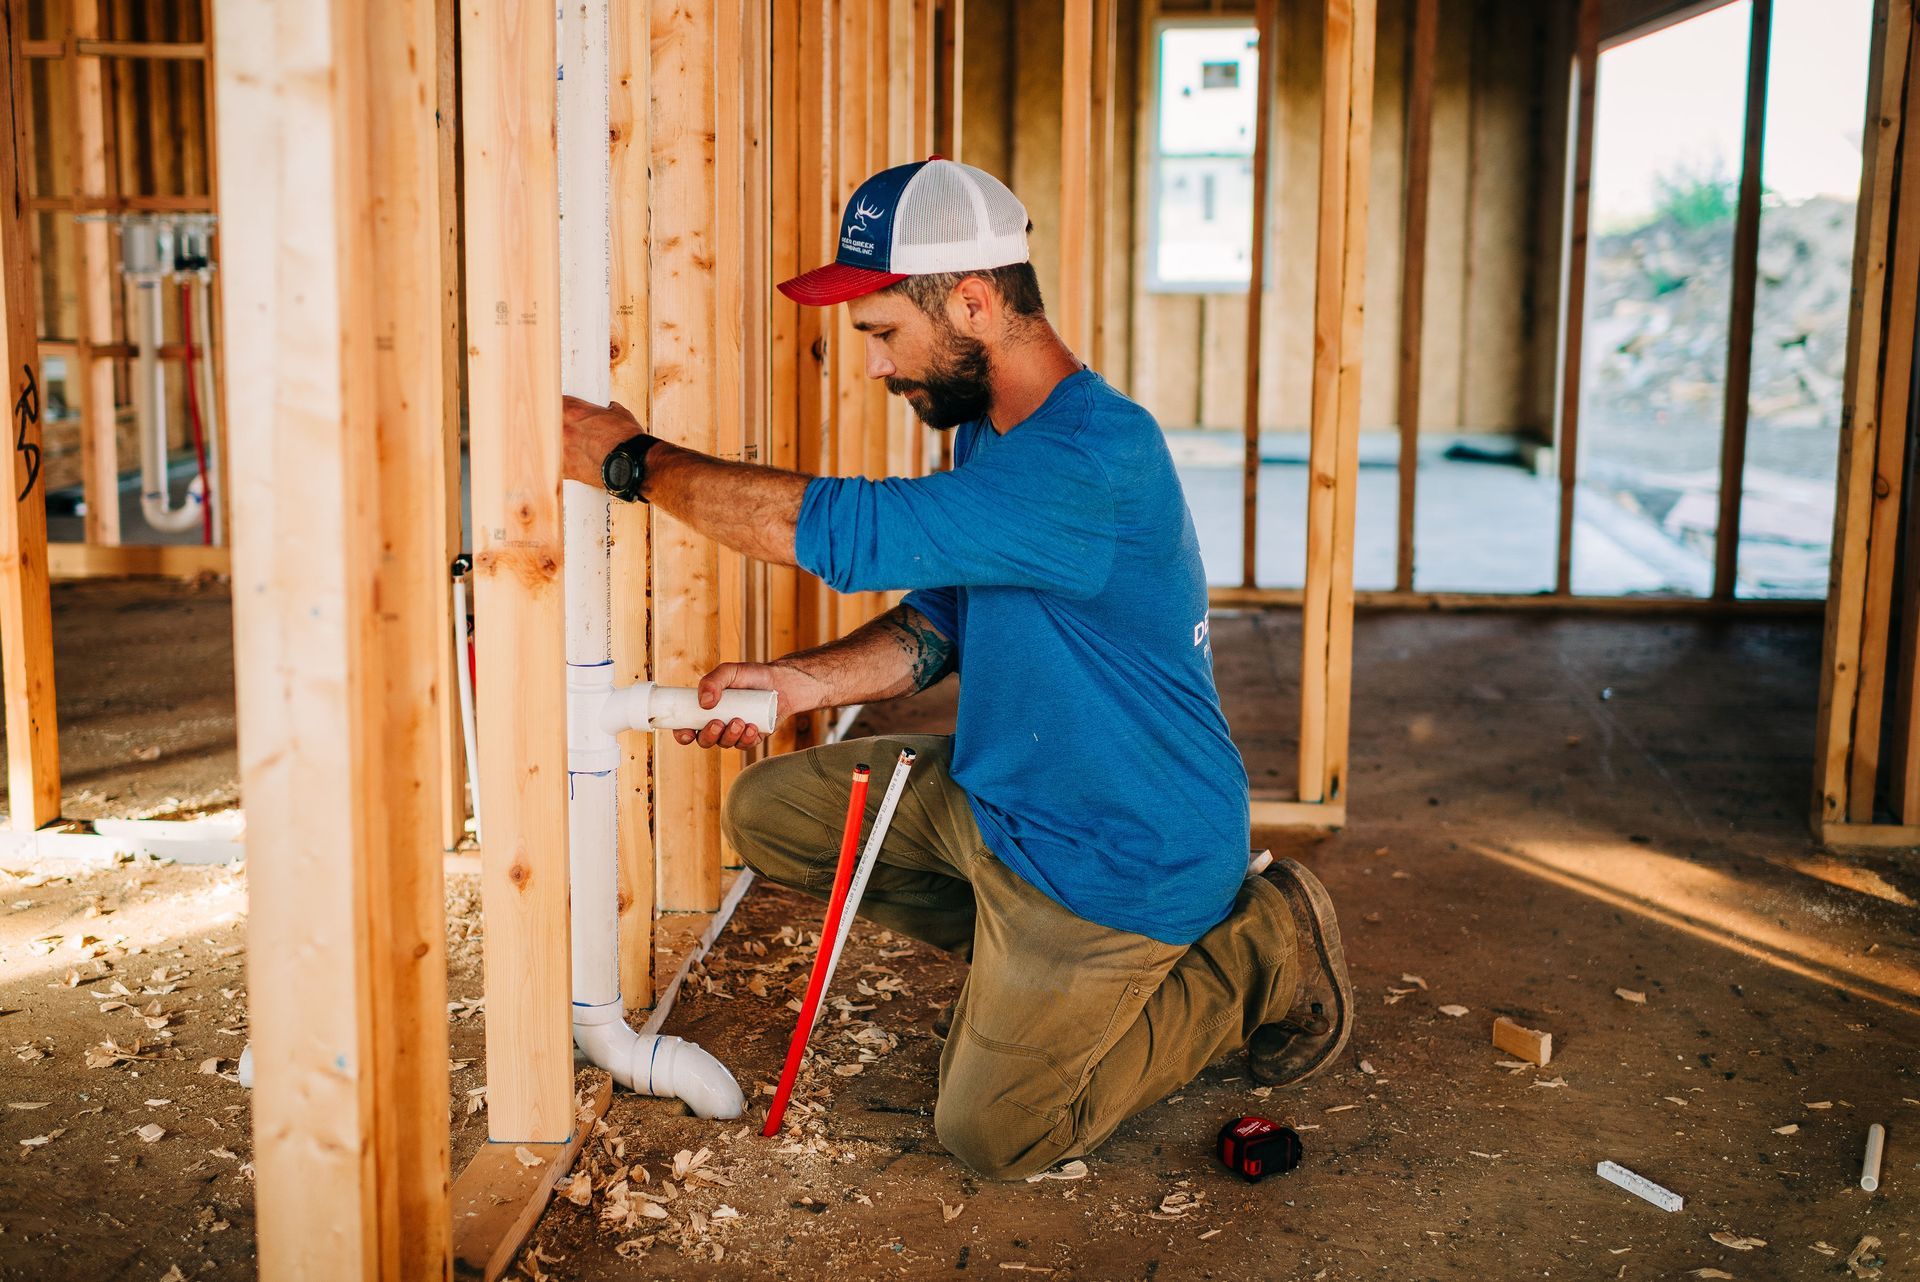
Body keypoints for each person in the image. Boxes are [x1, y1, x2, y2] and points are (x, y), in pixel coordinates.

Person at [561, 157, 1353, 1180]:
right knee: (770, 814)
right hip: (1006, 803)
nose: (878, 368)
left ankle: (1257, 954)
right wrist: (803, 683)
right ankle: (1035, 986)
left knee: (995, 1135)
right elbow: (945, 619)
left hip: (1118, 855)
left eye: (886, 333)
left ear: (973, 301)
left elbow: (833, 531)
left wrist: (632, 462)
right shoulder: (995, 430)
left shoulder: (1087, 460)